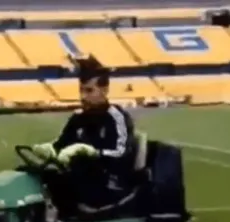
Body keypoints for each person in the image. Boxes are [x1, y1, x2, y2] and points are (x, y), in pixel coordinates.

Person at [32, 56, 148, 212]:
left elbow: (121, 154)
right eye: (81, 90)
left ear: (104, 90)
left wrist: (90, 152)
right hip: (85, 179)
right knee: (37, 176)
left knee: (60, 184)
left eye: (89, 90)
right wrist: (49, 149)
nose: (83, 96)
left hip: (110, 184)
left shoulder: (116, 117)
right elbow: (62, 144)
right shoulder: (78, 117)